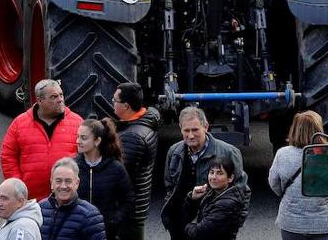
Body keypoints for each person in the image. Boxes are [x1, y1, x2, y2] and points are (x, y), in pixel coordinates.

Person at [161, 107, 249, 240]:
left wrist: (233, 225)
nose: (190, 135)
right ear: (180, 129)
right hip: (180, 225)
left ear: (206, 127)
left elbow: (242, 191)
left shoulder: (229, 152)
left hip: (212, 229)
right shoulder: (174, 152)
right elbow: (169, 187)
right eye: (186, 130)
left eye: (195, 130)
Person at [269, 111, 328, 240]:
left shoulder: (282, 154)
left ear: (294, 129)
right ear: (319, 129)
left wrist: (289, 195)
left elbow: (274, 183)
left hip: (292, 223)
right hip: (325, 223)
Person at [1, 79, 84, 202]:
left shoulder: (77, 122)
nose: (60, 99)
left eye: (61, 95)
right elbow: (8, 156)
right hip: (31, 200)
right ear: (40, 100)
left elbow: (87, 156)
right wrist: (18, 186)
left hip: (66, 197)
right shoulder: (19, 124)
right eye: (54, 97)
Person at [113, 83, 160, 240]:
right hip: (137, 208)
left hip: (128, 213)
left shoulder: (131, 137)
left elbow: (122, 178)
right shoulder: (148, 119)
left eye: (115, 100)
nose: (112, 103)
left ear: (126, 106)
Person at [75, 119, 133, 240]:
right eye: (78, 136)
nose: (78, 141)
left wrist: (114, 221)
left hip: (106, 232)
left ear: (97, 141)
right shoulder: (72, 167)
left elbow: (128, 200)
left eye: (83, 138)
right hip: (77, 231)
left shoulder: (116, 168)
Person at [181, 157, 248, 240]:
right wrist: (192, 199)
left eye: (219, 173)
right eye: (211, 172)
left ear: (230, 178)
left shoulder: (227, 203)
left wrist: (186, 225)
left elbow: (200, 232)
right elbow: (186, 215)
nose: (213, 177)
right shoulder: (211, 192)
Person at [39, 158, 107, 240]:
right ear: (51, 183)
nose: (63, 186)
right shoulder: (40, 209)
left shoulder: (90, 215)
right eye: (58, 181)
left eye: (68, 181)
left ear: (77, 183)